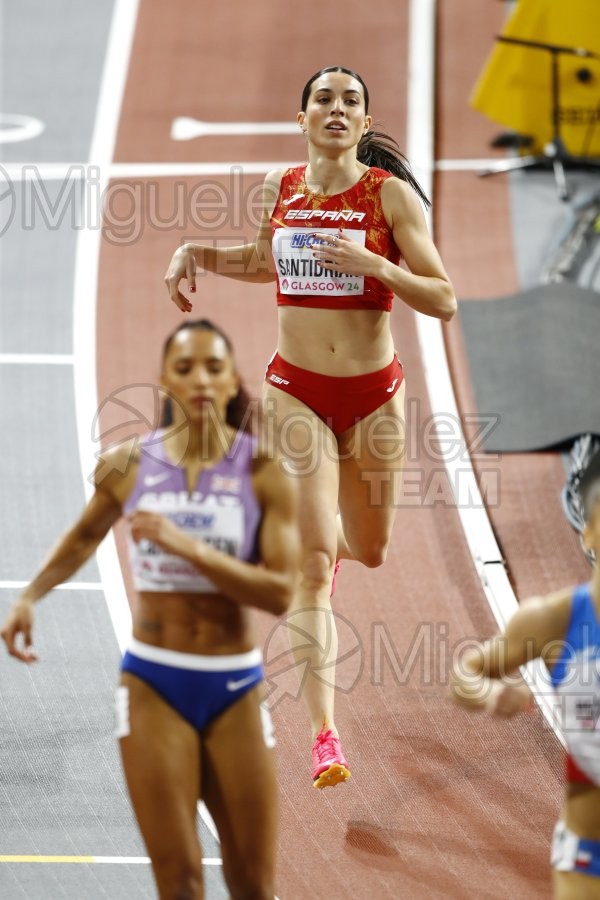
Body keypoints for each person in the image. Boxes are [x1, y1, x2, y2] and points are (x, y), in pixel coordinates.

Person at [165, 65, 457, 788]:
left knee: (373, 548)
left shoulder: (389, 198)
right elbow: (266, 263)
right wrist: (197, 252)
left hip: (374, 397)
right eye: (323, 99)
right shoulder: (282, 188)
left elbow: (444, 299)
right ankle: (326, 736)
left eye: (350, 101)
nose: (336, 108)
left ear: (363, 122)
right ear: (302, 120)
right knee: (310, 568)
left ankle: (326, 549)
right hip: (295, 390)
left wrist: (375, 265)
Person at [0, 319, 300, 900]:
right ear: (164, 380)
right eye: (184, 368)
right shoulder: (126, 466)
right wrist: (30, 595)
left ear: (233, 379)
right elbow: (85, 537)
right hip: (154, 681)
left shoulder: (263, 473)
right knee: (180, 882)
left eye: (214, 368)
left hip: (234, 683)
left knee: (253, 885)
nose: (200, 380)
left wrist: (184, 545)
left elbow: (279, 593)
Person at [449, 452, 600, 899]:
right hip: (588, 859)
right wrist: (489, 694)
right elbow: (467, 672)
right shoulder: (553, 620)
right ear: (587, 531)